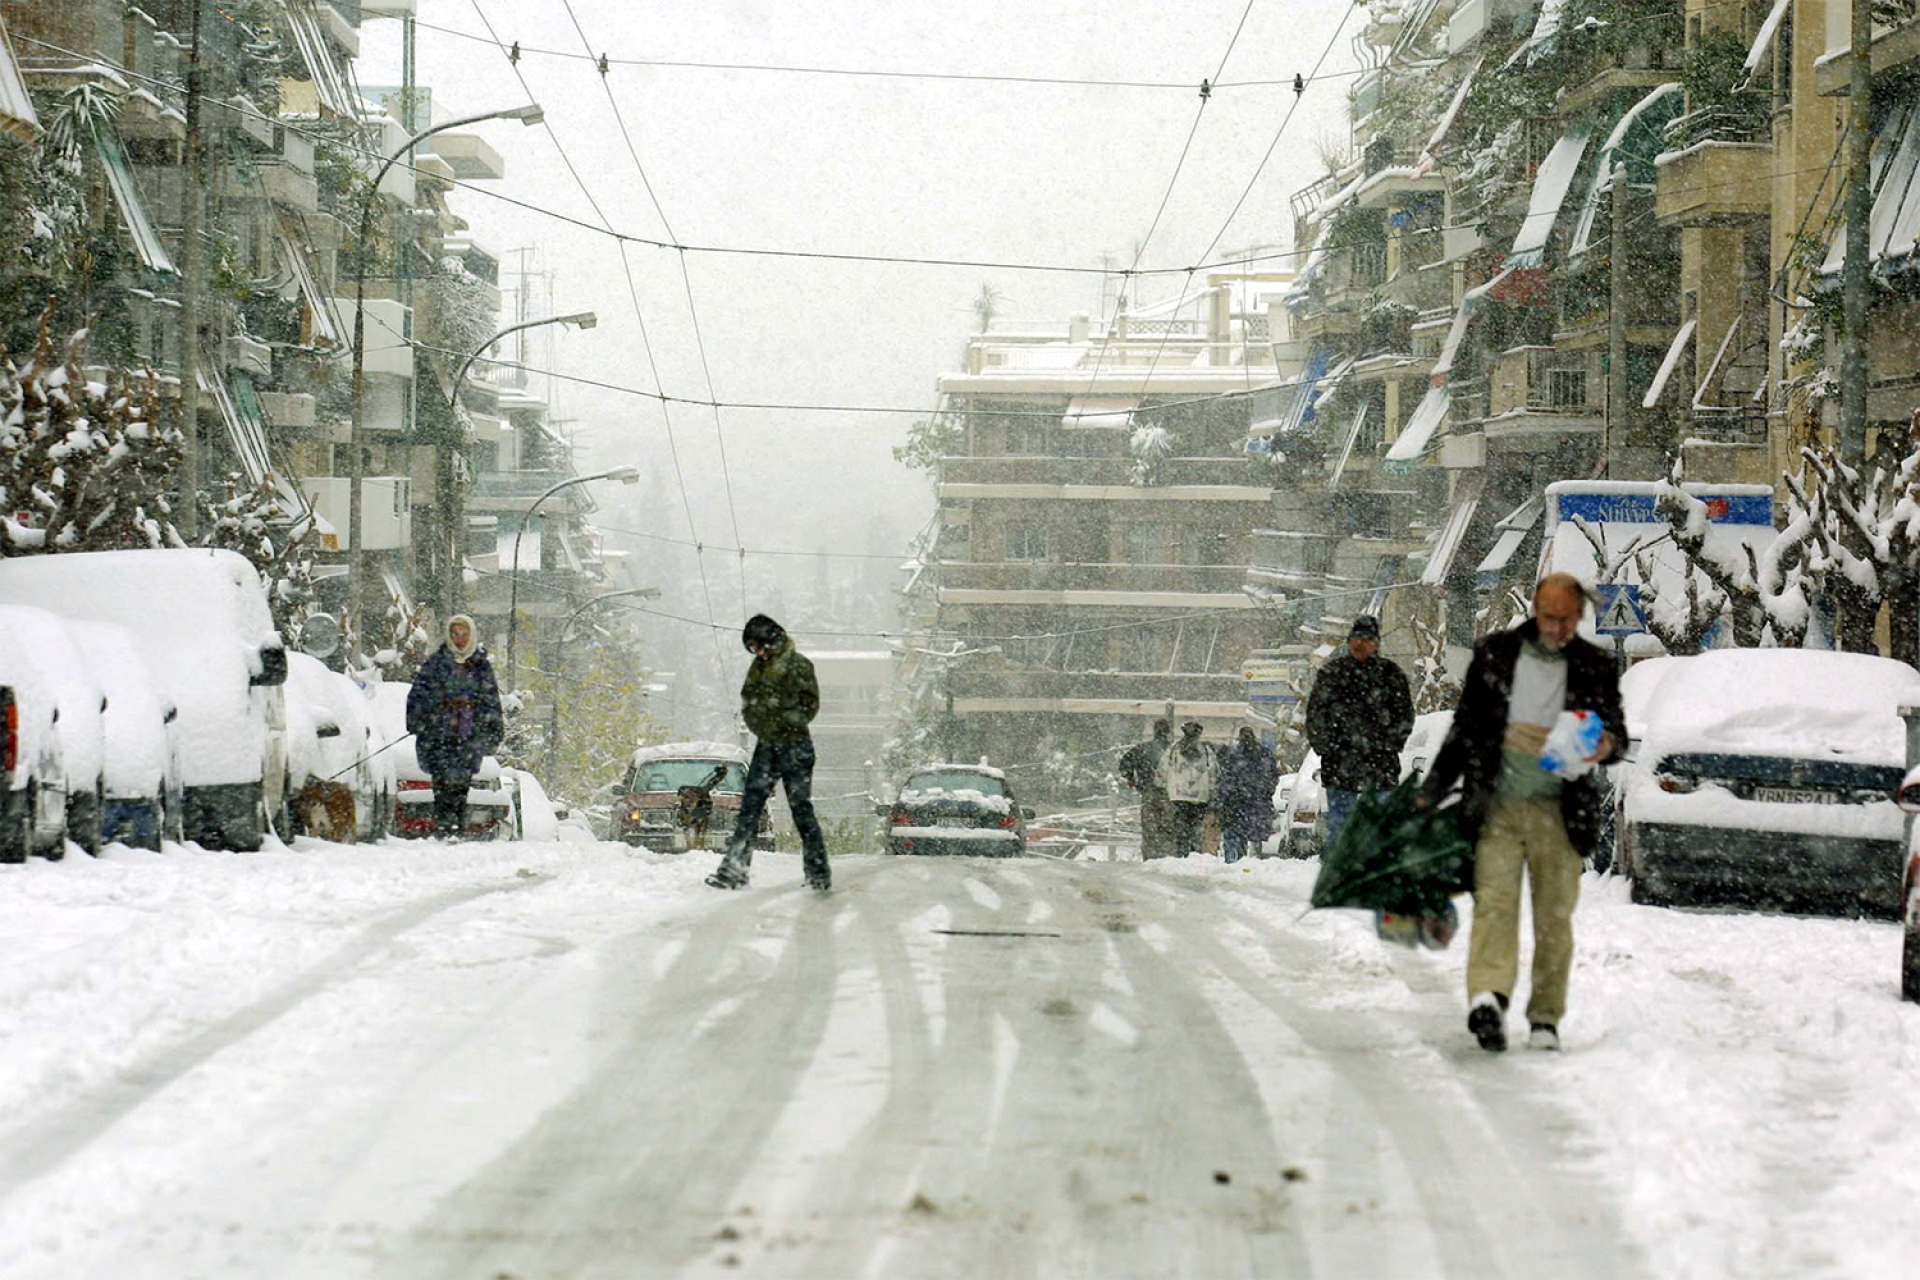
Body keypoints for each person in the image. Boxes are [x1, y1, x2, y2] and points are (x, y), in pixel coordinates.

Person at [1418, 573, 1625, 1054]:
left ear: (1579, 617)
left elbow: (1616, 734)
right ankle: (1489, 997)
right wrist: (1432, 790)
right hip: (1499, 807)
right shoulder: (1496, 654)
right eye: (1550, 617)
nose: (1558, 627)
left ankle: (1545, 1019)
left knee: (1555, 919)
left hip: (1561, 810)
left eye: (1567, 619)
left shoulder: (1594, 666)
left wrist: (1606, 744)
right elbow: (1465, 728)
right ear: (1535, 609)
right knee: (1495, 905)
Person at [706, 614, 831, 891]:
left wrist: (779, 718)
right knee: (749, 808)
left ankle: (818, 872)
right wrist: (762, 722)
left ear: (772, 640)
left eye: (759, 646)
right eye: (752, 648)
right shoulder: (758, 669)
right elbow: (748, 702)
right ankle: (734, 871)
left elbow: (809, 707)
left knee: (801, 808)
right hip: (767, 745)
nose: (757, 653)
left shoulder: (799, 665)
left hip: (795, 745)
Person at [1304, 615, 1415, 847]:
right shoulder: (1333, 673)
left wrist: (1389, 744)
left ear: (1376, 643)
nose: (1359, 644)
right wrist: (1326, 747)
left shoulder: (1390, 675)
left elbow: (1404, 715)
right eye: (1355, 638)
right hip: (1340, 764)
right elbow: (1316, 714)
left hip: (1380, 765)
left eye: (1365, 639)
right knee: (1340, 824)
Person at [405, 613, 504, 839]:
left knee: (461, 782)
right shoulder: (436, 664)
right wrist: (422, 720)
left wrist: (492, 730)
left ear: (471, 635)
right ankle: (442, 827)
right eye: (455, 633)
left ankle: (456, 827)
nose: (459, 638)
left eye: (463, 633)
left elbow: (490, 700)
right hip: (440, 734)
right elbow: (418, 695)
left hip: (468, 734)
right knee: (441, 782)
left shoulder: (480, 666)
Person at [1217, 727, 1279, 863]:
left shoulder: (1234, 755)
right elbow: (1273, 777)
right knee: (1252, 834)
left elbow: (1226, 778)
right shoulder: (1263, 754)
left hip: (1240, 802)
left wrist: (1226, 796)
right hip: (1253, 801)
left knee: (1237, 833)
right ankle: (1248, 859)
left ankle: (1236, 859)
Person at [1160, 720, 1218, 857]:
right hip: (1200, 796)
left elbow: (1162, 770)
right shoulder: (1206, 751)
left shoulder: (1173, 749)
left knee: (1181, 825)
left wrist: (1163, 785)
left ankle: (1181, 852)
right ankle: (1194, 852)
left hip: (1178, 794)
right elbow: (1214, 772)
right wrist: (1212, 790)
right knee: (1196, 825)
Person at [1118, 719, 1174, 860]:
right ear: (1168, 732)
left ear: (1154, 731)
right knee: (1168, 827)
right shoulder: (1174, 750)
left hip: (1149, 792)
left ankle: (1150, 857)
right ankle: (1167, 857)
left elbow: (1125, 763)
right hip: (1171, 794)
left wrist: (1131, 779)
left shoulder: (1142, 749)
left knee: (1150, 828)